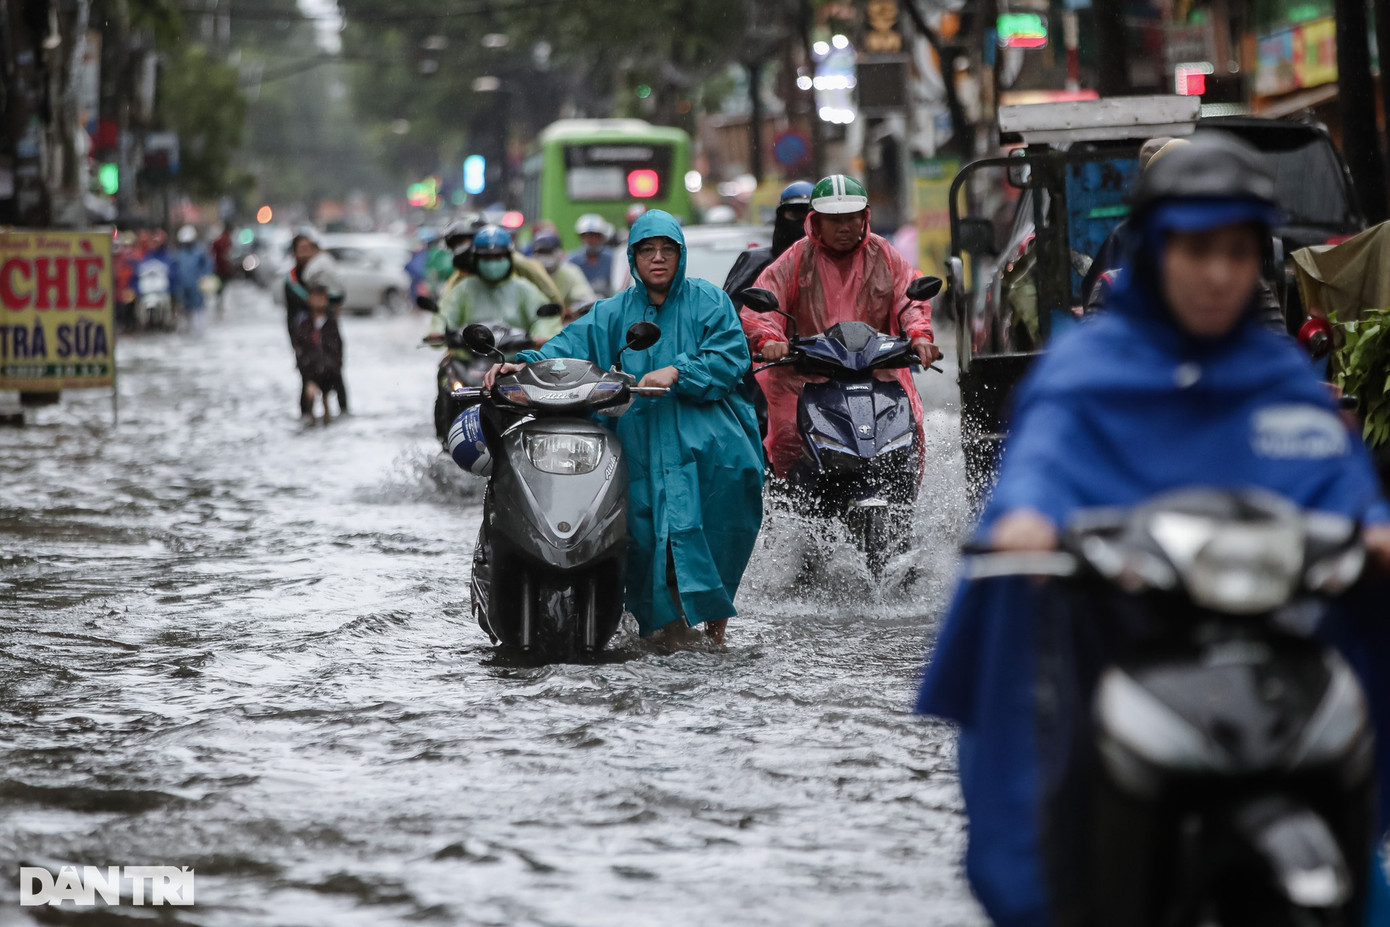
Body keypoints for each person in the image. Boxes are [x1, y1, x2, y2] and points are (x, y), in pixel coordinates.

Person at [915, 134, 1390, 927]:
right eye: (1197, 248)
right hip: (1122, 637)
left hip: (1276, 648)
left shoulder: (1279, 378)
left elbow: (1341, 483)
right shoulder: (1088, 370)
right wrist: (1028, 524)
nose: (1218, 273)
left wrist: (1374, 531)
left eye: (1238, 251)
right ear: (1156, 247)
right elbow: (1042, 465)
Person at [484, 209, 764, 646]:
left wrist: (677, 371)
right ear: (633, 258)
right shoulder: (611, 313)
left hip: (709, 444)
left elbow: (730, 358)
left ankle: (714, 632)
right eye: (647, 250)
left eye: (667, 250)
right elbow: (566, 349)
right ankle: (663, 634)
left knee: (718, 529)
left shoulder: (710, 302)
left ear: (680, 255)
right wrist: (523, 365)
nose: (657, 258)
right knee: (641, 535)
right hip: (639, 444)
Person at [741, 173, 942, 479]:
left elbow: (909, 297)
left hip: (877, 370)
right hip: (805, 376)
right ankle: (789, 503)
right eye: (834, 219)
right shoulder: (795, 258)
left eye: (852, 218)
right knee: (785, 434)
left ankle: (904, 505)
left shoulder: (884, 253)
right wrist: (769, 339)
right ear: (816, 221)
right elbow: (763, 310)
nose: (845, 227)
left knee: (911, 425)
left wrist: (919, 335)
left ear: (865, 217)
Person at [722, 180, 813, 309]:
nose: (802, 224)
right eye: (794, 215)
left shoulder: (833, 265)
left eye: (808, 216)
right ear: (781, 216)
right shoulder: (756, 263)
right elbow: (732, 312)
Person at [292, 283, 346, 420]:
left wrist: (332, 371)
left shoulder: (331, 323)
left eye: (322, 298)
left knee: (340, 404)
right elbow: (300, 352)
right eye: (316, 297)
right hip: (310, 373)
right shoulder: (303, 325)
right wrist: (309, 376)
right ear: (309, 299)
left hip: (331, 373)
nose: (319, 301)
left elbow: (338, 350)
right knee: (307, 401)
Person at [531, 228, 596, 322]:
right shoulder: (530, 273)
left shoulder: (571, 272)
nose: (545, 256)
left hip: (564, 325)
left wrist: (570, 310)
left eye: (548, 251)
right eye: (541, 252)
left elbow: (586, 299)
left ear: (559, 252)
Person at [174, 225, 213, 331]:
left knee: (198, 307)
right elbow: (175, 269)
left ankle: (198, 328)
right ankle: (187, 327)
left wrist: (205, 278)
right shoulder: (179, 253)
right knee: (184, 308)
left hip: (197, 284)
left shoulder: (199, 251)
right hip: (182, 285)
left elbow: (207, 266)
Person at [569, 213, 617, 299]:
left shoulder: (612, 258)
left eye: (596, 236)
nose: (591, 240)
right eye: (587, 236)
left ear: (602, 238)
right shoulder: (572, 261)